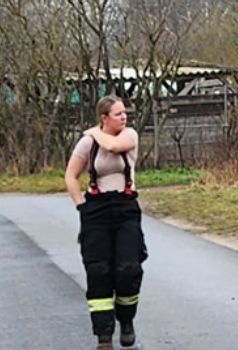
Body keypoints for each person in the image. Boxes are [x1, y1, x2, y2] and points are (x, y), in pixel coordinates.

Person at [65, 95, 147, 349]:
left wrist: (93, 132)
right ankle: (103, 335)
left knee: (128, 269)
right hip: (96, 210)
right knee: (98, 270)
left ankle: (126, 320)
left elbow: (112, 146)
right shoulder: (88, 144)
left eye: (125, 113)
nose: (124, 117)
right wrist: (81, 205)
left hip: (125, 207)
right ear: (104, 118)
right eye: (118, 114)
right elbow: (71, 174)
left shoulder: (129, 135)